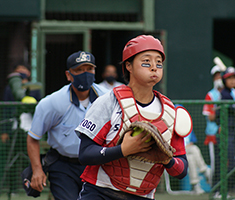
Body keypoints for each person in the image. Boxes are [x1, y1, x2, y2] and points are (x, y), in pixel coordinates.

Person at [75, 35, 191, 200]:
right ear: (128, 65)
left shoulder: (170, 111)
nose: (154, 67)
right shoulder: (109, 101)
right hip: (100, 191)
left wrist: (167, 161)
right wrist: (122, 150)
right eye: (146, 61)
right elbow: (85, 154)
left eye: (159, 63)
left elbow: (182, 170)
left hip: (142, 195)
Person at [26, 51, 108, 200]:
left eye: (89, 69)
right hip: (63, 165)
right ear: (68, 75)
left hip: (96, 165)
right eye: (79, 70)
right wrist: (37, 170)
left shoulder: (108, 98)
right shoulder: (53, 103)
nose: (85, 73)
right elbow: (33, 138)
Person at [1, 62, 41, 196]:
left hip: (30, 129)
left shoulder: (35, 88)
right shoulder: (9, 88)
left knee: (29, 159)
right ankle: (12, 189)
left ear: (29, 73)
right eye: (18, 70)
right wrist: (5, 131)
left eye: (23, 70)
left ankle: (30, 187)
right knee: (12, 159)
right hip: (14, 127)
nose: (21, 72)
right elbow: (5, 109)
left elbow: (40, 110)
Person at [214, 66, 235, 197]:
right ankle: (218, 191)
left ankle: (228, 191)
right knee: (224, 163)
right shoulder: (224, 94)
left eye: (234, 78)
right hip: (224, 133)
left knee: (232, 161)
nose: (232, 80)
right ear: (224, 80)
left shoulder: (232, 94)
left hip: (232, 132)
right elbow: (234, 110)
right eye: (229, 78)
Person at [202, 65, 224, 179]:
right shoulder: (211, 95)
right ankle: (216, 189)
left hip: (227, 134)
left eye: (220, 76)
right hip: (213, 134)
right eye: (216, 77)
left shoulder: (231, 93)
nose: (219, 79)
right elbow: (210, 117)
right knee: (216, 163)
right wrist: (221, 110)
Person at [184, 129, 211, 194]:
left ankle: (195, 184)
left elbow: (191, 142)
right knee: (193, 151)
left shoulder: (188, 128)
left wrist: (187, 147)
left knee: (192, 156)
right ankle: (205, 171)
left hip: (188, 150)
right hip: (179, 153)